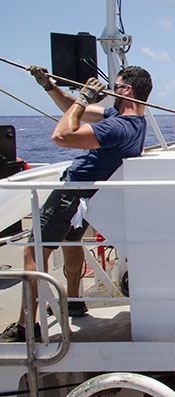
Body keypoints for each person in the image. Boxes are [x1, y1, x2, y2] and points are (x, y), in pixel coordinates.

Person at [1, 65, 152, 343]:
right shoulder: (131, 121)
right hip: (86, 199)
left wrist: (84, 98)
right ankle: (74, 301)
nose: (110, 90)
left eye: (115, 85)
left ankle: (25, 325)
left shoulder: (116, 126)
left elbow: (61, 136)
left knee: (34, 252)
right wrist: (50, 86)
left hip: (71, 194)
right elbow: (72, 108)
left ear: (126, 89)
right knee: (73, 244)